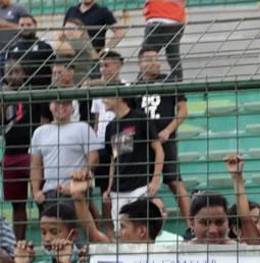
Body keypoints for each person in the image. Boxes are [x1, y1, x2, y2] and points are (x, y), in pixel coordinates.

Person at [137, 46, 189, 219]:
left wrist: (168, 130)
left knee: (175, 181)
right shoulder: (135, 87)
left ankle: (191, 225)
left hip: (165, 140)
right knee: (140, 184)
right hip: (143, 143)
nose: (154, 63)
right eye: (149, 59)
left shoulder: (169, 81)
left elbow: (183, 110)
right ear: (140, 63)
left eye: (156, 59)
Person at [100, 94, 163, 228]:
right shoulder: (110, 127)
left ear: (120, 98)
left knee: (142, 228)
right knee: (121, 233)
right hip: (118, 190)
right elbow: (114, 160)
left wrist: (155, 179)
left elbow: (159, 150)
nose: (103, 99)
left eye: (107, 96)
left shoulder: (140, 118)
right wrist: (109, 187)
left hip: (140, 186)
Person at [29, 98, 99, 207]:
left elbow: (94, 157)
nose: (61, 106)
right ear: (50, 106)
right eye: (57, 103)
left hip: (76, 189)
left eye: (66, 103)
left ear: (72, 107)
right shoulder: (39, 132)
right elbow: (35, 165)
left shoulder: (83, 128)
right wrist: (36, 191)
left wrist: (83, 174)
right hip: (49, 192)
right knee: (48, 222)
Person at [3, 62, 41, 240]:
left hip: (31, 153)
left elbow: (43, 122)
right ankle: (19, 244)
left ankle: (49, 241)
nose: (13, 75)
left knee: (41, 198)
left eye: (17, 71)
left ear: (25, 74)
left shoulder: (35, 94)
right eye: (9, 72)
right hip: (11, 154)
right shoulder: (3, 96)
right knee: (17, 204)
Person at [3, 15, 53, 87]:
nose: (25, 27)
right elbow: (5, 72)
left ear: (35, 26)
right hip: (18, 92)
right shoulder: (11, 48)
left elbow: (53, 69)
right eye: (22, 25)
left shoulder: (45, 46)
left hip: (42, 90)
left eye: (29, 25)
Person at [141, 0, 184, 81]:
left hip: (157, 17)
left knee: (146, 56)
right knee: (173, 57)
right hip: (176, 20)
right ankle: (177, 85)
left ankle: (142, 86)